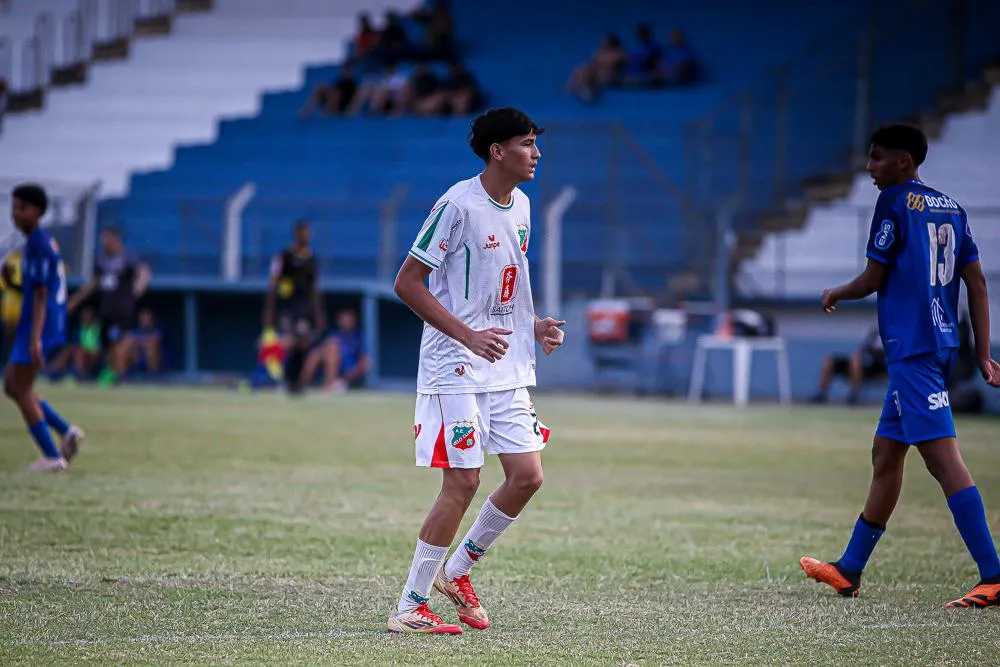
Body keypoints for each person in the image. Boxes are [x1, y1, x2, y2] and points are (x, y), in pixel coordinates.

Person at [800, 124, 1000, 608]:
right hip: (938, 344)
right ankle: (849, 569)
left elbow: (874, 275)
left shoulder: (893, 202)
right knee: (886, 455)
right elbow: (976, 284)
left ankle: (994, 575)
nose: (870, 167)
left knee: (941, 459)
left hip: (914, 348)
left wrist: (835, 293)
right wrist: (982, 354)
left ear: (904, 161)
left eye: (877, 158)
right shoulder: (951, 207)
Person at [387, 107, 566, 634]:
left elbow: (496, 289)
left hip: (505, 364)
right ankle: (409, 605)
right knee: (463, 482)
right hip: (456, 366)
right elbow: (408, 282)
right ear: (497, 151)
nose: (536, 153)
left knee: (528, 476)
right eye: (528, 143)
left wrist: (531, 325)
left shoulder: (524, 206)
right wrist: (466, 335)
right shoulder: (457, 205)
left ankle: (458, 571)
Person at [2, 184, 84, 472]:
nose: (15, 213)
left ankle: (52, 456)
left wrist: (35, 338)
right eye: (14, 206)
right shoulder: (44, 241)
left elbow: (40, 294)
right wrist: (12, 283)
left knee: (18, 388)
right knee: (15, 386)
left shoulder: (36, 243)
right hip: (45, 322)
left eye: (21, 207)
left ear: (37, 211)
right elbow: (38, 287)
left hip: (38, 324)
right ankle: (66, 431)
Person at [67, 227, 152, 386]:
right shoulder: (102, 261)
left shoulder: (127, 259)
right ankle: (108, 376)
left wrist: (140, 286)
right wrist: (74, 300)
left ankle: (121, 377)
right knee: (105, 347)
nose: (104, 243)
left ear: (116, 240)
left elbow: (143, 271)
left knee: (118, 343)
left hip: (122, 311)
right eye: (103, 239)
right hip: (105, 311)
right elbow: (92, 284)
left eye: (107, 239)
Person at [264, 219, 325, 393]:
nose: (307, 236)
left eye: (309, 233)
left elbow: (315, 287)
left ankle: (294, 382)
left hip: (305, 309)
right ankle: (274, 376)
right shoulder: (284, 256)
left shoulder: (311, 258)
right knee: (289, 340)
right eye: (304, 232)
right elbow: (273, 284)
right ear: (297, 234)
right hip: (288, 308)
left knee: (303, 342)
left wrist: (318, 312)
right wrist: (269, 309)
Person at [809, 322, 886, 405]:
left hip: (880, 366)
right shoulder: (875, 333)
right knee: (830, 361)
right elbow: (863, 350)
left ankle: (853, 396)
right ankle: (821, 394)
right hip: (863, 364)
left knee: (856, 361)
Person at [300, 308, 370, 392]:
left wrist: (353, 373)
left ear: (353, 321)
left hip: (347, 373)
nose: (345, 321)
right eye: (343, 319)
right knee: (316, 353)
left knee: (333, 347)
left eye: (348, 319)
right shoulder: (334, 334)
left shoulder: (358, 338)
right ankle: (301, 385)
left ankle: (329, 386)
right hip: (327, 367)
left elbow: (365, 360)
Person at [1, 247, 23, 365]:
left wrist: (10, 283)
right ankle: (6, 365)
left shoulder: (25, 262)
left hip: (21, 308)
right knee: (8, 337)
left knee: (18, 338)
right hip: (8, 307)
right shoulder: (7, 261)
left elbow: (26, 288)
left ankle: (16, 365)